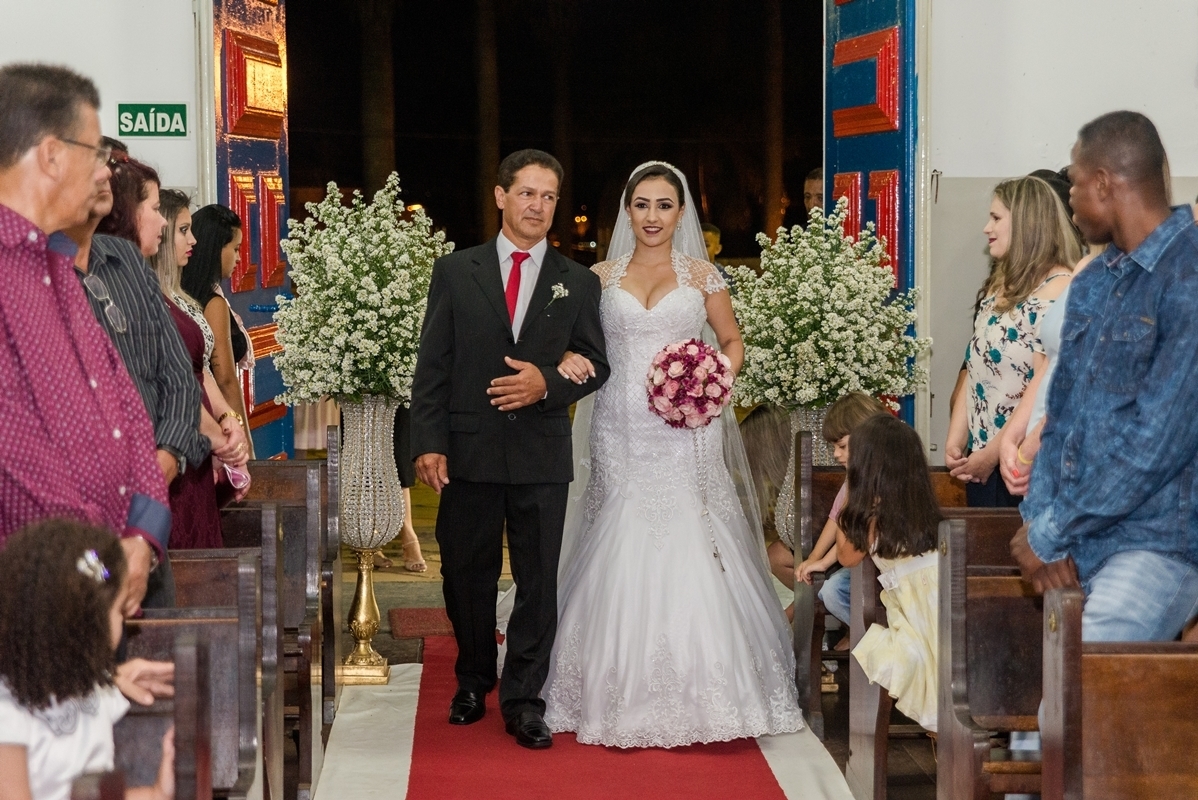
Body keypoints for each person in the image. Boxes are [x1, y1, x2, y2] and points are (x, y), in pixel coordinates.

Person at [541, 161, 802, 748]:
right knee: (619, 528)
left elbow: (731, 341)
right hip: (618, 426)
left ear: (682, 212)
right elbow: (569, 344)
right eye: (642, 205)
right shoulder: (599, 276)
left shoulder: (703, 276)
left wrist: (712, 378)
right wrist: (566, 360)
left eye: (664, 205)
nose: (653, 216)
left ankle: (708, 689)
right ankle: (607, 687)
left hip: (686, 427)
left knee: (689, 533)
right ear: (627, 212)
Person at [410, 149, 609, 749]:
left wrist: (547, 382)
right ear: (501, 196)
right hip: (467, 451)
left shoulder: (578, 281)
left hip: (541, 454)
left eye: (549, 197)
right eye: (527, 193)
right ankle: (473, 679)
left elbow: (596, 361)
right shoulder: (456, 270)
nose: (538, 206)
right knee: (464, 574)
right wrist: (428, 442)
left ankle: (525, 700)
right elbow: (433, 365)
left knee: (537, 580)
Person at [1012, 111, 1198, 643]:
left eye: (1072, 182)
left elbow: (1156, 444)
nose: (1069, 198)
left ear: (1102, 183)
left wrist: (1051, 530)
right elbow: (1062, 420)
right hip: (1078, 543)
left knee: (1081, 678)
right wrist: (1040, 524)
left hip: (1154, 544)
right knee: (1052, 686)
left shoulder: (1187, 275)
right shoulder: (1095, 279)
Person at [0, 63, 169, 616]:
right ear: (52, 155)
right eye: (96, 153)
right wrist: (105, 571)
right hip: (38, 609)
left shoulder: (57, 265)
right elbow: (18, 473)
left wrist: (142, 537)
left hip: (98, 594)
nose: (106, 173)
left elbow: (128, 412)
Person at [61, 162, 210, 606]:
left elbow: (180, 376)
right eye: (87, 157)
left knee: (159, 637)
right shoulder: (36, 275)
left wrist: (166, 459)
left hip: (148, 511)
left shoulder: (125, 259)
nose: (103, 174)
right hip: (77, 520)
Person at [0, 518, 175, 800]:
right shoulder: (8, 710)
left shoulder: (95, 690)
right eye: (119, 611)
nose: (124, 621)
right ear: (90, 622)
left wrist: (157, 793)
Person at [945, 175, 1081, 506]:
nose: (986, 228)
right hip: (982, 459)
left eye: (996, 218)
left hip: (1022, 464)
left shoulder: (1057, 290)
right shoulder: (999, 286)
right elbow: (975, 362)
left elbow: (1042, 386)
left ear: (1025, 224)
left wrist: (992, 455)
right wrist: (957, 439)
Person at [151, 189, 252, 548]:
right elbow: (184, 379)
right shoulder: (152, 300)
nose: (192, 239)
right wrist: (223, 438)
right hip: (184, 434)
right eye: (183, 230)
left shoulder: (183, 298)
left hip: (206, 432)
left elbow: (203, 370)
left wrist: (229, 421)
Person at [836, 414, 943, 732]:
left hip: (917, 610)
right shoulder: (920, 506)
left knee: (884, 650)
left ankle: (941, 731)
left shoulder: (870, 517)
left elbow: (845, 557)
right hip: (940, 597)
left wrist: (850, 494)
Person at [792, 393, 888, 635]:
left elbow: (852, 535)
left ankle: (876, 640)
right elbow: (839, 520)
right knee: (831, 591)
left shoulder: (879, 480)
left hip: (884, 564)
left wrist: (824, 561)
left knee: (833, 591)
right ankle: (869, 638)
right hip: (866, 560)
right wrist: (816, 557)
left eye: (842, 446)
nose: (836, 454)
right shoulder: (855, 478)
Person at [184, 205, 253, 454]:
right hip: (218, 423)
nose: (238, 258)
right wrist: (246, 443)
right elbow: (225, 380)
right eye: (235, 249)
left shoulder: (184, 294)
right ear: (215, 249)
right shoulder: (213, 303)